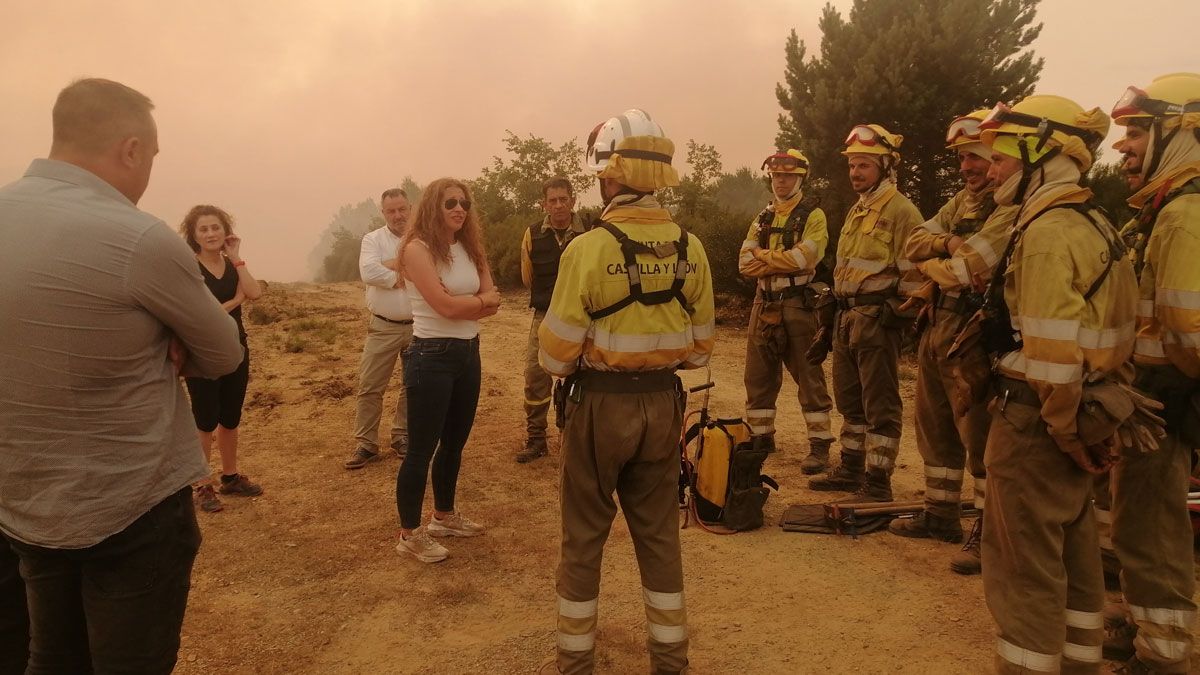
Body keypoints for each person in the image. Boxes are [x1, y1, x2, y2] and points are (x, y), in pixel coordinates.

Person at [0, 78, 243, 672]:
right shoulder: (137, 235)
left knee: (50, 655)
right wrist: (170, 342)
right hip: (129, 507)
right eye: (153, 158)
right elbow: (224, 352)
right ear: (132, 149)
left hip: (18, 499)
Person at [540, 109, 715, 675]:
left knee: (585, 536)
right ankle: (670, 660)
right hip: (663, 405)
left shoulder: (586, 249)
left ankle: (576, 663)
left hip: (599, 408)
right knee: (660, 536)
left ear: (610, 178)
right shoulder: (692, 247)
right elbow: (700, 349)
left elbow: (554, 355)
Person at [975, 94, 1132, 674]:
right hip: (1083, 412)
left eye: (1002, 158)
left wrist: (1065, 432)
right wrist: (1092, 428)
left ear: (1040, 154)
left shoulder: (1044, 234)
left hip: (1039, 424)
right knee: (1077, 563)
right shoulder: (1096, 223)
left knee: (1024, 576)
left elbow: (1050, 356)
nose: (991, 170)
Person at [888, 111, 1019, 576]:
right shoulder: (961, 202)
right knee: (935, 425)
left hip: (974, 333)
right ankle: (940, 514)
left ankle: (986, 532)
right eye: (962, 157)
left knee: (979, 437)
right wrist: (948, 246)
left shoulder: (1009, 207)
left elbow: (971, 270)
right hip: (939, 321)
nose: (967, 166)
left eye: (977, 156)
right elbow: (914, 244)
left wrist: (941, 259)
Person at [1102, 73, 1200, 673]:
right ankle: (1145, 630)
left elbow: (1190, 331)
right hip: (1150, 396)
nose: (1124, 145)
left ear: (1183, 132)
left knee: (1152, 534)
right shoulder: (1166, 210)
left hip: (1162, 401)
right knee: (1133, 524)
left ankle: (1163, 658)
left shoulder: (1184, 217)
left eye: (1138, 130)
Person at [808, 124, 923, 501]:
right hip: (845, 319)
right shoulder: (859, 210)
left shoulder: (902, 212)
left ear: (886, 167)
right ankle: (851, 469)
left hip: (876, 322)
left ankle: (877, 482)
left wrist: (894, 316)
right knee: (850, 402)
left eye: (864, 166)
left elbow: (916, 277)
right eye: (852, 166)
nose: (856, 173)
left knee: (881, 406)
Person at [394, 178, 499, 563]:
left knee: (454, 442)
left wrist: (470, 301)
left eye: (465, 203)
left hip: (468, 352)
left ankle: (443, 516)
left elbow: (495, 300)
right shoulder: (416, 250)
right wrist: (477, 301)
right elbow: (446, 308)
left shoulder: (471, 247)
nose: (459, 209)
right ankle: (409, 533)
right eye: (450, 202)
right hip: (431, 355)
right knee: (419, 450)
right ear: (432, 207)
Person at [738, 149, 835, 472]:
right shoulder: (764, 216)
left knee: (809, 376)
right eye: (776, 176)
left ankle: (819, 446)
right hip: (762, 302)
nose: (781, 181)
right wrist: (776, 260)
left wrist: (762, 258)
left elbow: (804, 260)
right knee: (758, 376)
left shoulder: (813, 216)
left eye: (787, 176)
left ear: (800, 177)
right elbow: (743, 263)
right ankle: (762, 438)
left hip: (797, 303)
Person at [180, 204, 265, 512]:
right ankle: (202, 485)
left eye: (215, 227)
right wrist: (235, 300)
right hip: (200, 353)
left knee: (230, 417)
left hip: (236, 348)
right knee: (204, 420)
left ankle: (230, 477)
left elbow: (254, 292)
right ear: (193, 235)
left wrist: (237, 255)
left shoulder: (232, 264)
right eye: (203, 229)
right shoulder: (189, 267)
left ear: (225, 230)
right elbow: (200, 313)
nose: (210, 233)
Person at [516, 177, 587, 463]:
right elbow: (527, 277)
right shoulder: (532, 234)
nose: (558, 205)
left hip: (584, 317)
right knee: (536, 376)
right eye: (552, 200)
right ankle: (536, 438)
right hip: (545, 316)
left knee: (584, 376)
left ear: (573, 200)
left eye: (563, 199)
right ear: (543, 204)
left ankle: (578, 442)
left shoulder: (592, 232)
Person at [344, 188, 415, 470]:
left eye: (401, 209)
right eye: (391, 211)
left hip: (419, 326)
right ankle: (366, 444)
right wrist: (406, 272)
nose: (397, 215)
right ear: (383, 213)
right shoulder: (372, 239)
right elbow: (368, 273)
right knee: (371, 386)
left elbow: (433, 271)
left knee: (413, 386)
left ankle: (402, 436)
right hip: (382, 326)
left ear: (410, 208)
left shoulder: (422, 238)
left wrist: (388, 266)